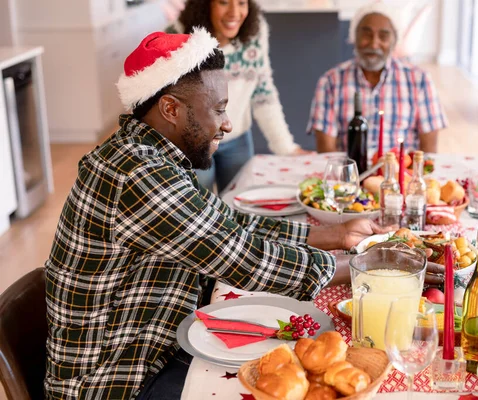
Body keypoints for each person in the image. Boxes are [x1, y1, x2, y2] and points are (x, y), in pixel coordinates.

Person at [44, 29, 404, 400]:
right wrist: (363, 267)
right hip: (118, 380)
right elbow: (241, 257)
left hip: (153, 338)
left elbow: (222, 223)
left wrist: (338, 235)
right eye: (218, 109)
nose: (228, 123)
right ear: (171, 109)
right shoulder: (137, 174)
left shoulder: (148, 154)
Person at [169, 0, 308, 192]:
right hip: (193, 143)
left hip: (237, 140)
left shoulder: (255, 31)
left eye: (242, 2)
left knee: (239, 201)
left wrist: (286, 148)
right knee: (200, 207)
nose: (235, 12)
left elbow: (263, 92)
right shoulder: (179, 37)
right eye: (224, 2)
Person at [307, 1, 448, 159]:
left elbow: (428, 152)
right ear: (354, 36)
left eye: (383, 36)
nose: (374, 43)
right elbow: (327, 152)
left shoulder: (420, 80)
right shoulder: (330, 82)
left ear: (394, 41)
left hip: (401, 177)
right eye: (366, 34)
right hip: (348, 177)